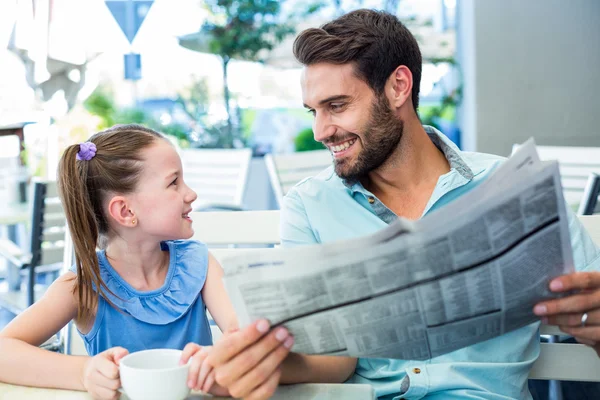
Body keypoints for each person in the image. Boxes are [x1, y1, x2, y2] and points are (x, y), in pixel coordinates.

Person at [206, 9, 600, 400]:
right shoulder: (309, 206)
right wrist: (258, 361)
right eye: (314, 111)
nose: (320, 131)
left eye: (337, 106)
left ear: (398, 86)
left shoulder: (512, 188)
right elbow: (329, 358)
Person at [0, 125, 238, 398]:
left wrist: (220, 358)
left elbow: (240, 332)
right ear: (125, 211)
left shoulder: (199, 263)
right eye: (174, 182)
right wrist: (83, 372)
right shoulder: (82, 285)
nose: (190, 193)